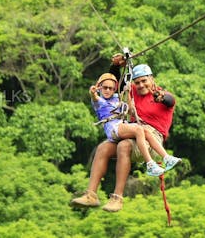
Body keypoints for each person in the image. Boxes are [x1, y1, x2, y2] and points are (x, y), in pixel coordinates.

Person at [70, 56, 180, 212]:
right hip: (133, 130)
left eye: (144, 81)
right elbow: (114, 85)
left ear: (151, 79)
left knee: (124, 145)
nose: (141, 85)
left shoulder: (161, 95)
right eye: (137, 82)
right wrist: (115, 65)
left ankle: (117, 198)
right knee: (103, 148)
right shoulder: (133, 92)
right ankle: (91, 195)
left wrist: (161, 97)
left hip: (152, 138)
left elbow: (169, 100)